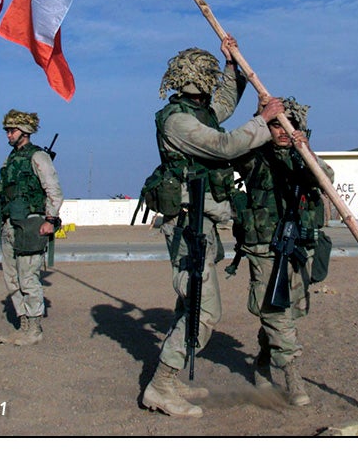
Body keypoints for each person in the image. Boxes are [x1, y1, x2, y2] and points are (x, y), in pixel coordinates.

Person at [141, 36, 285, 418]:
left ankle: (170, 380)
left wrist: (232, 66)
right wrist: (263, 122)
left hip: (201, 222)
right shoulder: (178, 122)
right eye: (209, 76)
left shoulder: (198, 110)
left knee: (188, 304)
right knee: (204, 311)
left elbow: (222, 104)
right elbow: (223, 146)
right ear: (195, 80)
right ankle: (160, 386)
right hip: (188, 224)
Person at [231, 97, 333, 407]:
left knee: (289, 312)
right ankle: (292, 374)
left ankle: (263, 363)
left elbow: (326, 179)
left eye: (290, 125)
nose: (283, 131)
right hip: (264, 245)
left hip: (299, 246)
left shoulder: (305, 157)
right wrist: (261, 122)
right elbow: (233, 150)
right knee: (275, 310)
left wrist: (307, 152)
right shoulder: (253, 156)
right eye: (277, 125)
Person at [0, 109, 63, 346]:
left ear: (24, 131)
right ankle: (23, 324)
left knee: (28, 278)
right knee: (11, 278)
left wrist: (50, 220)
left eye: (11, 131)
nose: (8, 136)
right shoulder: (11, 158)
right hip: (10, 225)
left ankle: (34, 328)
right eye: (7, 131)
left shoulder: (39, 157)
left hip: (31, 225)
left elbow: (53, 191)